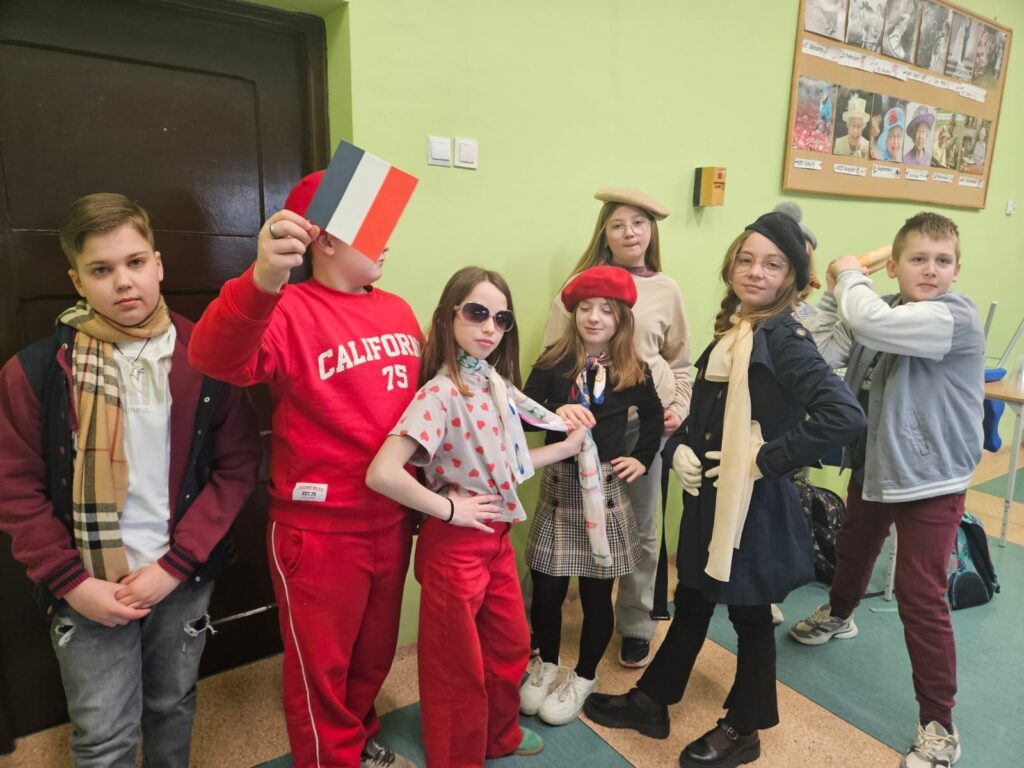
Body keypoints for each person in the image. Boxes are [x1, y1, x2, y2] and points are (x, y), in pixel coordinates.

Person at [584, 211, 865, 768]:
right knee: (691, 598)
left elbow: (843, 415)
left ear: (791, 276)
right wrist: (682, 443)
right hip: (712, 498)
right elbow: (707, 410)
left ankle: (745, 727)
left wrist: (767, 459)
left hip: (751, 506)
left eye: (772, 264)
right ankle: (654, 701)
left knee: (750, 617)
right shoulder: (740, 328)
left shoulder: (783, 335)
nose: (755, 272)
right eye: (746, 259)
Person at [0, 193, 259, 767]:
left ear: (159, 264)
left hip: (180, 576)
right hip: (86, 584)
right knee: (103, 734)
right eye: (101, 269)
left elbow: (236, 467)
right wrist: (72, 583)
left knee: (172, 704)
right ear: (77, 279)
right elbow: (14, 488)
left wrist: (175, 566)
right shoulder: (36, 372)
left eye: (136, 262)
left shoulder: (207, 357)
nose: (124, 282)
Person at [188, 173, 421, 768]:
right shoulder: (286, 309)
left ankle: (357, 736)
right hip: (318, 532)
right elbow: (214, 358)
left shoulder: (398, 309)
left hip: (391, 518)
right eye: (375, 229)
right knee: (322, 665)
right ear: (327, 240)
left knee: (374, 653)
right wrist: (264, 278)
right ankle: (330, 758)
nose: (389, 241)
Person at [366, 266, 586, 767]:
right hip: (456, 546)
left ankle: (498, 736)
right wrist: (448, 507)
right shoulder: (440, 393)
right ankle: (457, 756)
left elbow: (507, 465)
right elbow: (382, 473)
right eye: (477, 312)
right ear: (449, 317)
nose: (490, 327)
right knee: (455, 666)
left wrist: (566, 446)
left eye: (501, 318)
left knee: (508, 648)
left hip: (495, 539)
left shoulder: (493, 384)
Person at [790, 212, 984, 768]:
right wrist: (834, 293)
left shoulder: (954, 316)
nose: (931, 269)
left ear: (956, 269)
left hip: (933, 480)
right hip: (876, 465)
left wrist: (850, 271)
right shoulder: (890, 312)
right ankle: (839, 614)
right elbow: (828, 350)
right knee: (853, 547)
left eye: (942, 260)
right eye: (917, 259)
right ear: (896, 266)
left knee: (921, 596)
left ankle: (939, 724)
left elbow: (869, 321)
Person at [541, 187, 692, 669]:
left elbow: (681, 363)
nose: (630, 232)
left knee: (642, 530)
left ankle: (635, 623)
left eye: (639, 223)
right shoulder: (579, 287)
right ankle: (539, 625)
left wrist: (678, 410)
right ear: (603, 233)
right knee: (564, 519)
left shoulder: (667, 290)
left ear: (652, 231)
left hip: (643, 431)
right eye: (618, 224)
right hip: (588, 433)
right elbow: (553, 358)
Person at [519, 266, 663, 725]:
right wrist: (550, 414)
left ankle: (583, 675)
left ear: (621, 318)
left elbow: (656, 418)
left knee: (599, 594)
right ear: (573, 313)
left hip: (605, 491)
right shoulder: (550, 363)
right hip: (559, 491)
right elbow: (519, 417)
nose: (594, 318)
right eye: (585, 308)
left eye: (605, 310)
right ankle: (545, 664)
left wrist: (641, 457)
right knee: (546, 589)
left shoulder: (631, 369)